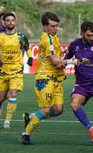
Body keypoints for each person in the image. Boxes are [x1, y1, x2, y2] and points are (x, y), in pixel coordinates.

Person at [21, 12, 79, 145]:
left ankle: (30, 117)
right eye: (52, 26)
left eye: (56, 26)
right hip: (45, 78)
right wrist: (72, 61)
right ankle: (26, 133)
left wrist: (63, 54)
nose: (55, 28)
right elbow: (54, 60)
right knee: (46, 109)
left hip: (57, 78)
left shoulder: (54, 37)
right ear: (45, 26)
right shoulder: (47, 39)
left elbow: (55, 56)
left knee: (58, 110)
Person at [0, 12, 33, 130]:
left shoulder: (21, 37)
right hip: (3, 71)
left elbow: (27, 49)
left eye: (12, 20)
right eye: (8, 20)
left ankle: (7, 121)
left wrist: (30, 58)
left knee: (13, 94)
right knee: (1, 98)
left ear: (15, 22)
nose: (10, 22)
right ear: (4, 22)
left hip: (16, 70)